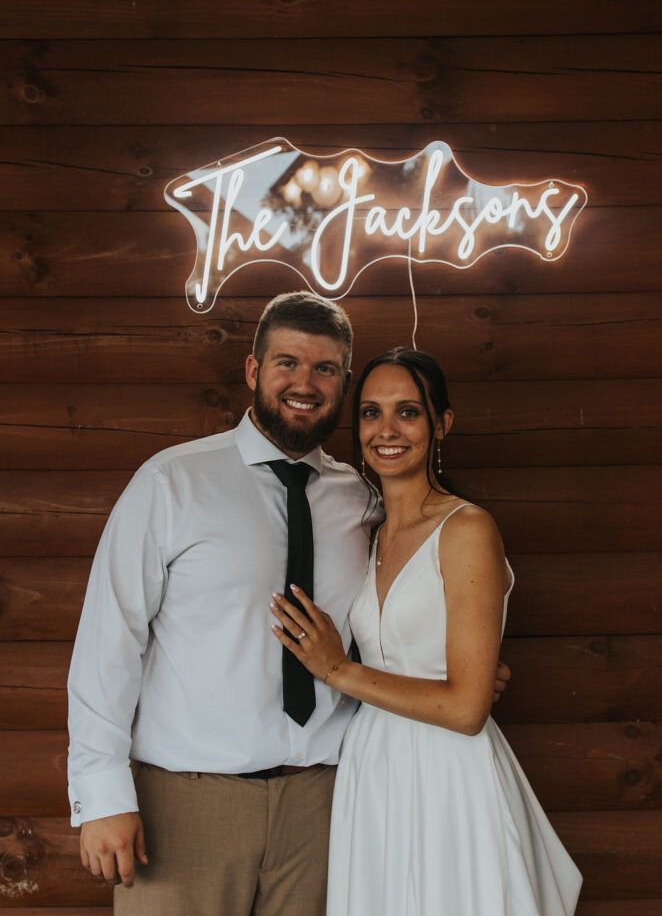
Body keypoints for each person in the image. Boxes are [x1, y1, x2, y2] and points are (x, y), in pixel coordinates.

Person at [67, 292, 510, 916]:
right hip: (188, 804)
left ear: (343, 383)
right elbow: (108, 642)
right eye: (287, 363)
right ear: (253, 371)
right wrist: (102, 794)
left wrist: (456, 672)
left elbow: (400, 617)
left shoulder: (362, 501)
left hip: (327, 805)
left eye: (325, 368)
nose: (305, 383)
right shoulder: (172, 483)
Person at [270, 347, 582, 916]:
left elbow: (466, 710)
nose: (386, 430)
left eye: (407, 412)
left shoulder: (467, 529)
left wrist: (337, 669)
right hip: (373, 766)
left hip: (446, 772)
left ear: (442, 424)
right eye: (370, 413)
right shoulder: (371, 532)